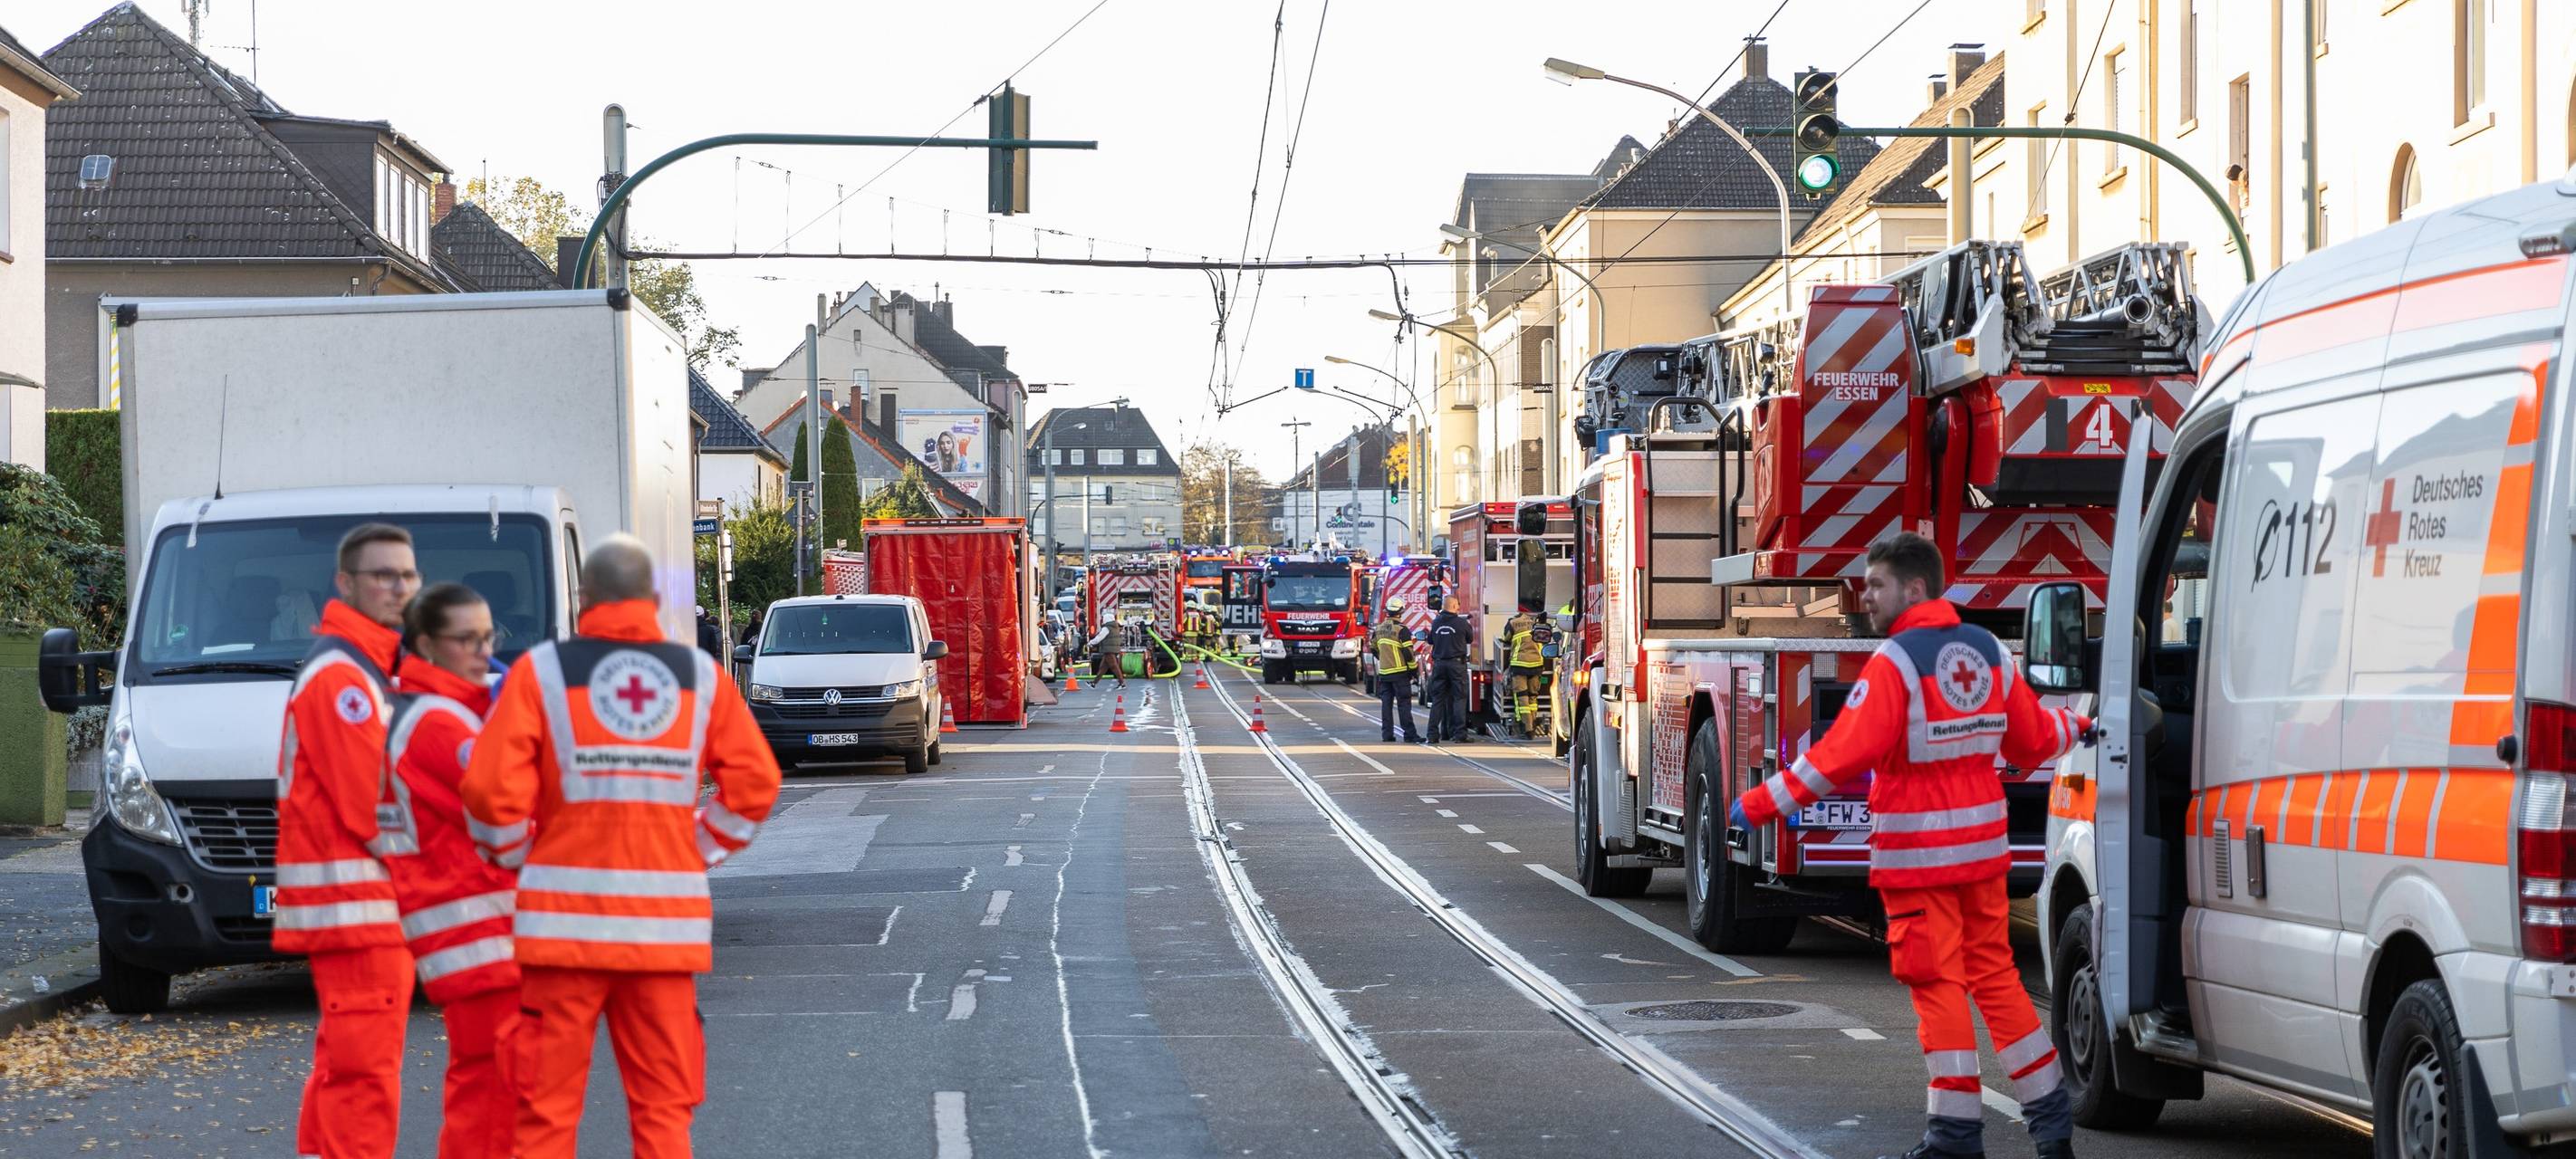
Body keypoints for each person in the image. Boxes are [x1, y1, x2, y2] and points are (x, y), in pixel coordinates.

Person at [1730, 532, 2088, 1159]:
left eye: (1877, 584)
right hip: (1980, 856)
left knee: (1937, 984)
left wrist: (1762, 803)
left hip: (1919, 862)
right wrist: (2079, 724)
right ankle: (2052, 1125)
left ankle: (1954, 1137)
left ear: (1914, 588)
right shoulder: (1987, 653)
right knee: (1997, 978)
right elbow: (2031, 742)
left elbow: (1840, 756)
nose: (1864, 595)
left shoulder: (1895, 662)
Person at [461, 536, 782, 1158]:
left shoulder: (542, 672)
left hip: (561, 933)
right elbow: (757, 784)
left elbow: (488, 790)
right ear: (655, 600)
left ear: (585, 599)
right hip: (663, 933)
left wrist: (520, 857)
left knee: (544, 1112)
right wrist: (693, 848)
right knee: (663, 1110)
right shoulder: (698, 676)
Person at [276, 522, 418, 1159]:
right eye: (383, 575)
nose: (399, 587)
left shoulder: (364, 667)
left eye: (408, 575)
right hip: (362, 912)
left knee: (344, 1072)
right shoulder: (345, 679)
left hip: (359, 912)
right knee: (365, 1082)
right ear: (345, 583)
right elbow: (375, 806)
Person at [379, 583, 519, 1158]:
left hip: (465, 926)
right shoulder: (438, 724)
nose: (483, 652)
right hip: (477, 927)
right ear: (425, 645)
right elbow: (509, 813)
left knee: (484, 1087)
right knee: (500, 1091)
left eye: (488, 636)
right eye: (466, 639)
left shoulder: (433, 710)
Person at [1423, 597, 1473, 743]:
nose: (1458, 607)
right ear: (1452, 605)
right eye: (1457, 604)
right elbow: (1470, 638)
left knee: (1438, 700)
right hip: (1457, 665)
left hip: (1439, 665)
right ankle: (1459, 734)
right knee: (1459, 699)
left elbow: (1431, 640)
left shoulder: (1436, 622)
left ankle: (1432, 734)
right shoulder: (1462, 623)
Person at [1371, 599, 1420, 743]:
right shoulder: (1402, 630)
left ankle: (1387, 735)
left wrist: (1383, 658)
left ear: (1387, 611)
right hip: (1400, 674)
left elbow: (1373, 647)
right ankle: (1410, 734)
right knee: (1404, 704)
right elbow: (1409, 653)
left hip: (1385, 673)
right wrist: (1413, 670)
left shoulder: (1379, 629)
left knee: (1386, 705)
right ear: (1401, 611)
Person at [1503, 601, 1550, 737]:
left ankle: (1527, 728)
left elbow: (1505, 638)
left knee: (1522, 698)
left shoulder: (1513, 622)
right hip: (1536, 665)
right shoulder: (1539, 623)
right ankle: (1533, 722)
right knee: (1533, 697)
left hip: (1519, 665)